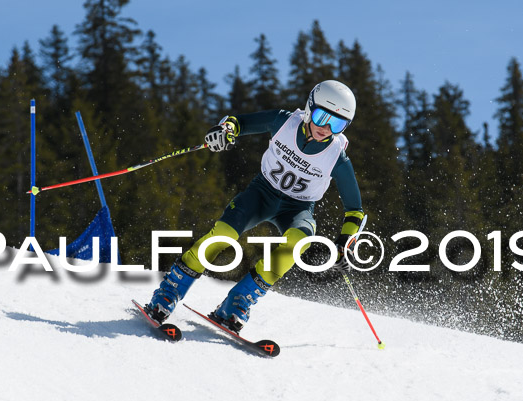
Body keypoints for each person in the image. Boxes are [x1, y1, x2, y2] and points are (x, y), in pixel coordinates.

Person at [144, 80, 365, 334]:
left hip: (298, 208)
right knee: (223, 234)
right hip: (262, 193)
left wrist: (345, 242)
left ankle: (237, 301)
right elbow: (238, 123)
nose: (326, 128)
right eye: (322, 116)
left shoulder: (337, 156)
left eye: (337, 123)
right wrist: (224, 131)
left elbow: (354, 209)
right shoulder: (284, 122)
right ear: (309, 107)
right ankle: (170, 289)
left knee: (297, 243)